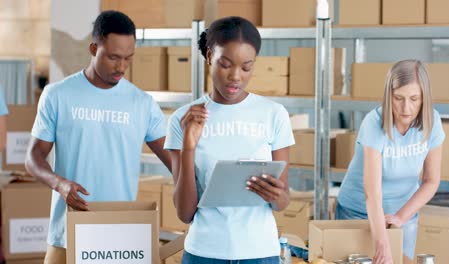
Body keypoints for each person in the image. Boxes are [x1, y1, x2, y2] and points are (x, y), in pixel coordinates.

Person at [25, 10, 171, 263]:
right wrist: (59, 183)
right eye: (114, 57)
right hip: (67, 233)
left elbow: (175, 158)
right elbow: (33, 158)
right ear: (94, 48)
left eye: (128, 58)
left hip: (121, 237)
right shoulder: (58, 95)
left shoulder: (142, 103)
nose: (121, 67)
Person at [164, 16, 295, 263]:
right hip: (204, 253)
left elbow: (282, 202)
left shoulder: (274, 114)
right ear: (209, 55)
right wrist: (188, 148)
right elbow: (184, 213)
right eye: (225, 64)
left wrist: (277, 196)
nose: (236, 76)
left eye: (246, 67)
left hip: (260, 252)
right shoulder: (183, 118)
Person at [336, 60, 445, 264]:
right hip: (357, 211)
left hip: (403, 212)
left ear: (424, 98)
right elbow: (372, 192)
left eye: (414, 99)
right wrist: (382, 244)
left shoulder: (433, 122)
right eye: (398, 98)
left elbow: (431, 181)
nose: (406, 108)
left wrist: (401, 217)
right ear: (389, 96)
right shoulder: (373, 123)